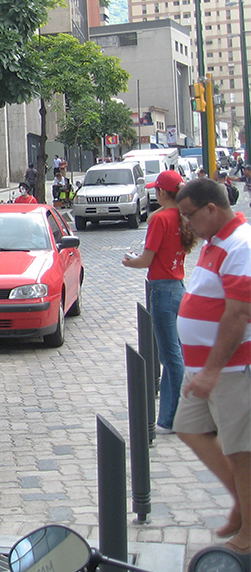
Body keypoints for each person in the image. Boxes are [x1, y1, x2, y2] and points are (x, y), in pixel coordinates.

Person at [173, 178, 250, 554]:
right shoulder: (212, 243)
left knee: (242, 452)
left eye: (189, 216)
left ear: (211, 209)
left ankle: (250, 534)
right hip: (203, 369)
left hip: (233, 370)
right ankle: (242, 502)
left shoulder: (240, 244)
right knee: (188, 426)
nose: (186, 224)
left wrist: (213, 370)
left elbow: (237, 315)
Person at [122, 170, 197, 434]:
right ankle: (170, 415)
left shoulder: (160, 218)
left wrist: (130, 261)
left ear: (163, 193)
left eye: (157, 190)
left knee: (170, 357)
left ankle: (175, 417)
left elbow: (147, 259)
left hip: (162, 290)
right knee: (176, 352)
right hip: (178, 286)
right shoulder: (184, 218)